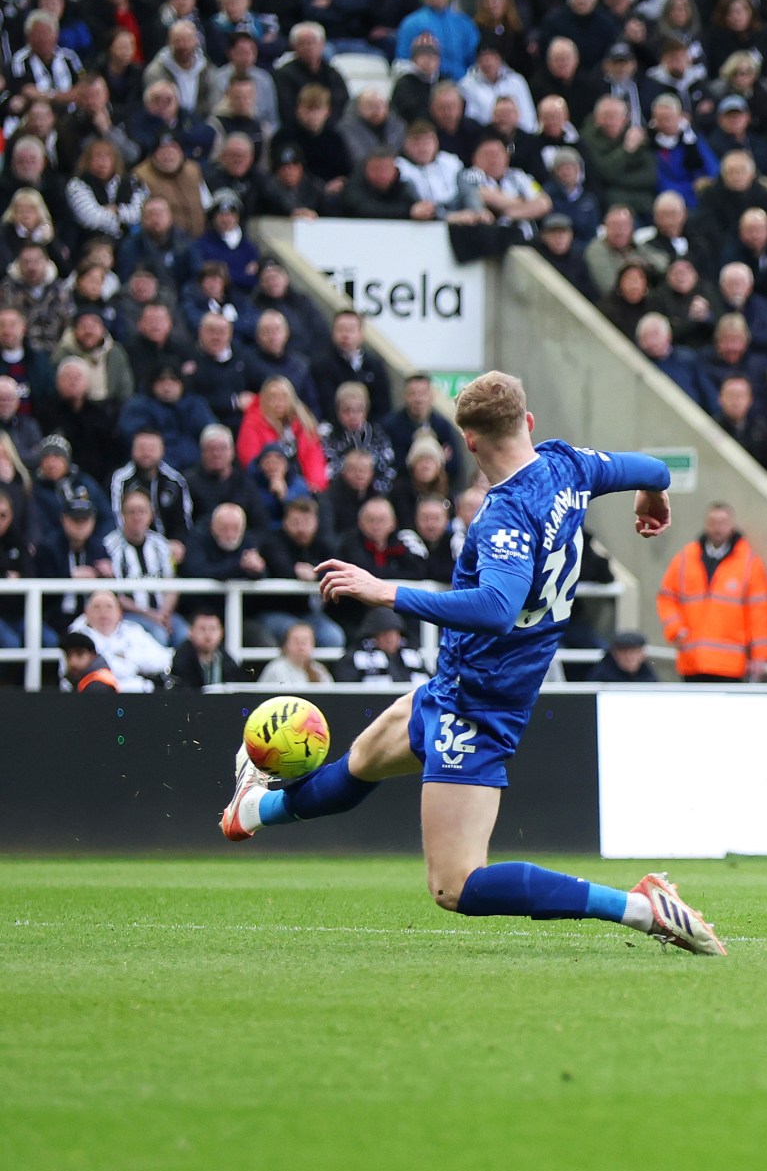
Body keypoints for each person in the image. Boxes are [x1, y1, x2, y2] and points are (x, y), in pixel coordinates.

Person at [220, 371, 723, 956]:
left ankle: (640, 908)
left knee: (455, 885)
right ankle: (252, 809)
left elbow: (496, 607)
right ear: (527, 423)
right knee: (357, 766)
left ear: (468, 441)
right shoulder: (568, 464)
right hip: (453, 685)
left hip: (480, 707)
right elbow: (653, 470)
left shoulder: (506, 512)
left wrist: (389, 592)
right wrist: (653, 495)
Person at [653, 501, 767, 682]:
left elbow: (759, 612)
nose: (717, 528)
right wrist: (675, 629)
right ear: (706, 524)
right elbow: (667, 598)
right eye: (713, 522)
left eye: (723, 523)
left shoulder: (749, 564)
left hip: (730, 666)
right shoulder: (686, 558)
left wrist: (761, 655)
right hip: (692, 661)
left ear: (732, 525)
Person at [593, 628, 661, 682]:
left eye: (634, 652)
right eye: (624, 653)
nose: (629, 657)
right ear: (615, 654)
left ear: (642, 655)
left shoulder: (648, 676)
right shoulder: (601, 678)